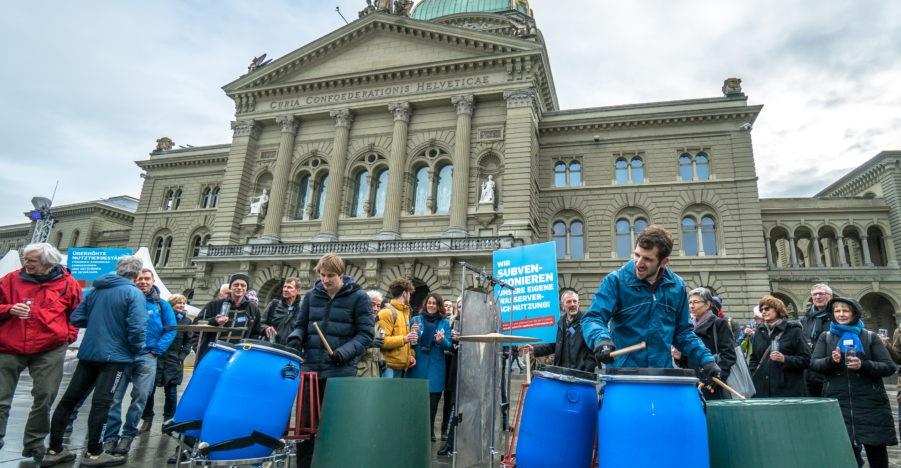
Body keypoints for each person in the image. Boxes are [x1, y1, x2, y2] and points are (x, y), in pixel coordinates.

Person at [43, 256, 147, 467]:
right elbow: (137, 328)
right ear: (136, 274)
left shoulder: (96, 290)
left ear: (118, 269)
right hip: (115, 356)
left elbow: (76, 318)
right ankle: (94, 453)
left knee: (69, 400)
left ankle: (54, 449)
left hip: (89, 352)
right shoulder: (133, 293)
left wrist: (99, 322)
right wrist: (137, 350)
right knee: (102, 404)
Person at [582, 225, 720, 380]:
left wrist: (706, 360)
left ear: (664, 261)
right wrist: (601, 339)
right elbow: (593, 318)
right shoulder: (615, 281)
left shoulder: (677, 286)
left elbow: (683, 333)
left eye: (647, 259)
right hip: (623, 376)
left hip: (661, 375)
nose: (639, 263)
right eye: (637, 255)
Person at [286, 253, 372, 468]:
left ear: (341, 274)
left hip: (340, 371)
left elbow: (366, 335)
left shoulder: (359, 297)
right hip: (310, 371)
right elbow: (301, 325)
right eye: (322, 275)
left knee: (337, 427)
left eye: (330, 275)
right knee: (305, 428)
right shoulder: (311, 296)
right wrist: (296, 337)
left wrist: (344, 352)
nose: (325, 280)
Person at [0, 243, 81, 463]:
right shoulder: (10, 280)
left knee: (45, 396)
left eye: (31, 260)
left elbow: (76, 314)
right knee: (1, 398)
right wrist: (8, 309)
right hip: (10, 345)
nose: (25, 263)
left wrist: (68, 336)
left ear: (47, 263)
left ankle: (34, 444)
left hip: (49, 348)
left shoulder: (68, 284)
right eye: (25, 259)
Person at [810, 297, 897, 468]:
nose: (841, 314)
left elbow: (888, 367)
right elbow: (814, 364)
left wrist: (863, 365)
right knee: (846, 453)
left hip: (870, 403)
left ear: (854, 313)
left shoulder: (869, 336)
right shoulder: (826, 337)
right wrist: (831, 361)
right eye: (837, 311)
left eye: (845, 311)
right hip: (838, 402)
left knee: (876, 451)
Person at [103, 268, 177, 455]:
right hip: (122, 356)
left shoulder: (161, 304)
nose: (143, 281)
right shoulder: (125, 300)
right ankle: (110, 437)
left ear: (153, 281)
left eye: (146, 278)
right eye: (139, 279)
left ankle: (128, 435)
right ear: (133, 281)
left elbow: (171, 329)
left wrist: (156, 351)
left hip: (147, 357)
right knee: (114, 398)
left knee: (140, 397)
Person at [141, 294, 193, 433]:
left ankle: (168, 421)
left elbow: (188, 342)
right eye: (179, 303)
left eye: (184, 303)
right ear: (171, 305)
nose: (182, 305)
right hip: (157, 356)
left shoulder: (187, 321)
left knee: (171, 391)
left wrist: (181, 356)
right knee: (149, 390)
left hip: (173, 359)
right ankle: (147, 419)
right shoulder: (161, 317)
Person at [673, 288, 737, 400]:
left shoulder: (719, 323)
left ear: (707, 305)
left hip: (713, 383)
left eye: (696, 302)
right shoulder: (688, 328)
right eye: (690, 302)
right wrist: (680, 357)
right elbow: (687, 360)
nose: (691, 306)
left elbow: (729, 355)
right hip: (694, 382)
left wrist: (717, 377)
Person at [406, 293, 452, 442]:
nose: (431, 305)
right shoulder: (416, 320)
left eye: (434, 303)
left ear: (439, 306)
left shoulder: (444, 323)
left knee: (433, 403)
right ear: (425, 304)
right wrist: (412, 333)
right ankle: (415, 430)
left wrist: (441, 340)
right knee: (416, 402)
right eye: (429, 302)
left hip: (435, 367)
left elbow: (449, 345)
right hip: (417, 365)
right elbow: (408, 342)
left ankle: (430, 430)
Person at [747, 295, 810, 397]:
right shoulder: (759, 331)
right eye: (761, 310)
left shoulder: (794, 330)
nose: (763, 312)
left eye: (767, 309)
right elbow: (754, 358)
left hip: (788, 390)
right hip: (763, 390)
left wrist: (784, 359)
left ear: (777, 309)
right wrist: (754, 373)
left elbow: (806, 360)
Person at [521, 290, 597, 373]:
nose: (572, 304)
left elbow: (593, 347)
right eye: (569, 302)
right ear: (562, 306)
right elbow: (554, 345)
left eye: (575, 301)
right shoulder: (561, 322)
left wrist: (587, 369)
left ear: (578, 303)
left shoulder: (586, 322)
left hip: (581, 373)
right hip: (562, 372)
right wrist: (534, 349)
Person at [194, 273, 264, 360]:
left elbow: (255, 333)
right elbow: (196, 323)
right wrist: (214, 321)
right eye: (236, 285)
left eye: (243, 285)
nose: (239, 288)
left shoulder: (253, 309)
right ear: (230, 287)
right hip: (213, 352)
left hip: (237, 356)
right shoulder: (215, 304)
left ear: (246, 288)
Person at [799, 283, 834, 397]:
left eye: (821, 294)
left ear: (830, 296)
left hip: (830, 366)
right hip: (810, 369)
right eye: (815, 294)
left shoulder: (836, 316)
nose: (817, 297)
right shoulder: (806, 318)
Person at [377, 278, 416, 378]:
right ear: (404, 293)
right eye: (409, 293)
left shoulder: (405, 313)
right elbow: (382, 341)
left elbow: (406, 342)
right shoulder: (386, 312)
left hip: (402, 367)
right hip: (388, 367)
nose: (410, 296)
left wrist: (410, 355)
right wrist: (405, 339)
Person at [261, 277, 303, 345]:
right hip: (271, 346)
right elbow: (260, 324)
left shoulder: (302, 309)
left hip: (292, 349)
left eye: (289, 287)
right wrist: (266, 328)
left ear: (297, 291)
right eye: (284, 287)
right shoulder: (274, 304)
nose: (285, 289)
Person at [357, 290, 386, 377]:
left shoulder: (377, 323)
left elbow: (376, 348)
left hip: (374, 370)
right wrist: (370, 343)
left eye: (378, 306)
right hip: (360, 370)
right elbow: (350, 347)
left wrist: (381, 358)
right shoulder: (357, 321)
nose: (375, 309)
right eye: (372, 304)